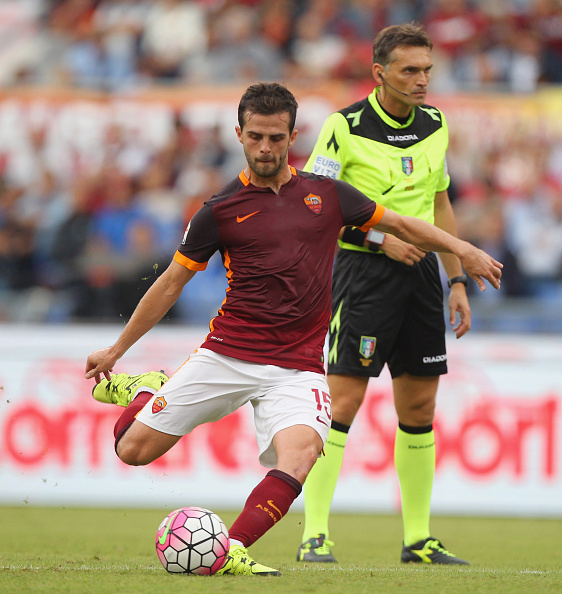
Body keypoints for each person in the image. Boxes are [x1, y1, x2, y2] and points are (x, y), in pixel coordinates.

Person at [85, 82, 502, 577]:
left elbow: (404, 225)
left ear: (293, 137)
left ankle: (231, 549)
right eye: (256, 137)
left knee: (302, 454)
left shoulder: (327, 194)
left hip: (297, 367)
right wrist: (117, 349)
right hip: (228, 353)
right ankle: (146, 388)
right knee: (132, 451)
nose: (266, 148)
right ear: (239, 134)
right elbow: (171, 283)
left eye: (276, 138)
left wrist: (464, 250)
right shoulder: (219, 210)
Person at [297, 23, 474, 566]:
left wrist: (456, 279)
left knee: (419, 405)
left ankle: (418, 539)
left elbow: (439, 204)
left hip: (421, 277)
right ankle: (314, 534)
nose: (422, 80)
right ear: (380, 73)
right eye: (410, 70)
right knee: (343, 402)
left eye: (427, 70)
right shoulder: (344, 126)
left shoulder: (436, 124)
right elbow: (314, 208)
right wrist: (380, 239)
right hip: (362, 273)